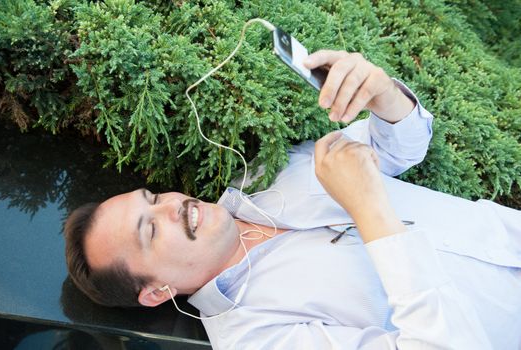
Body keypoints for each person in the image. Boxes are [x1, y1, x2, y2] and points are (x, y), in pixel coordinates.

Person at [64, 50, 521, 350]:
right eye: (151, 228)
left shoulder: (263, 177)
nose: (173, 205)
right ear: (156, 292)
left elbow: (400, 147)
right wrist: (369, 211)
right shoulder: (254, 338)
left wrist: (383, 95)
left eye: (153, 197)